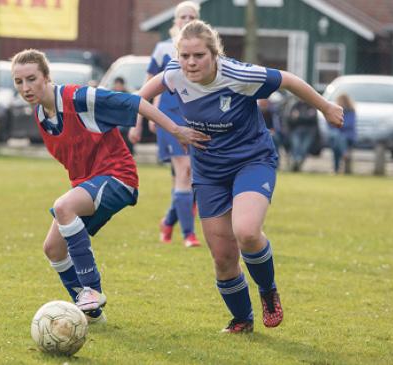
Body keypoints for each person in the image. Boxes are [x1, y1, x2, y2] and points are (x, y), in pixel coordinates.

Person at [130, 20, 343, 333]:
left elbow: (289, 80)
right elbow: (139, 98)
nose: (191, 63)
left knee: (246, 231)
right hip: (209, 171)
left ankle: (268, 291)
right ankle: (242, 320)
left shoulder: (239, 74)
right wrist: (175, 129)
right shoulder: (174, 74)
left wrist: (325, 107)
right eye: (186, 56)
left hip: (251, 160)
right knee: (223, 258)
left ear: (214, 54)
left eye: (199, 55)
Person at [11, 49, 209, 324]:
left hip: (118, 177)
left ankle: (91, 290)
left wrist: (175, 129)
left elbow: (135, 102)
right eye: (19, 82)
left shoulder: (78, 97)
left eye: (31, 79)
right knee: (53, 249)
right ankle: (92, 315)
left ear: (46, 77)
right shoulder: (41, 115)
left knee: (63, 206)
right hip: (89, 184)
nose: (26, 87)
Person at [129, 1, 202, 248]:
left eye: (192, 16)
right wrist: (137, 123)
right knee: (185, 172)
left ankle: (168, 221)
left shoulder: (207, 49)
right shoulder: (163, 49)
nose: (187, 20)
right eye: (183, 16)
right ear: (176, 21)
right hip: (169, 117)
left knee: (193, 177)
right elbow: (145, 91)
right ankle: (188, 235)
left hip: (196, 117)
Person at [283, 97, 318, 172]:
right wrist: (306, 116)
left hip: (309, 132)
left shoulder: (311, 105)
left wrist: (299, 117)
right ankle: (296, 163)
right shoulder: (294, 105)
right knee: (296, 146)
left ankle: (297, 163)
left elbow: (313, 119)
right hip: (296, 131)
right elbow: (289, 119)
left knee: (304, 148)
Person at [328, 93, 356, 173]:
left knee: (338, 140)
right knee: (337, 138)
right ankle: (344, 153)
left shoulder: (350, 111)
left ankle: (336, 169)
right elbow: (330, 123)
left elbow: (348, 124)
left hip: (348, 136)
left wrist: (338, 125)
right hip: (337, 136)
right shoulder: (335, 111)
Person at [111, 77, 135, 155]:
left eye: (119, 85)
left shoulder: (127, 96)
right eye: (116, 85)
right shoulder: (110, 96)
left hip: (124, 124)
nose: (118, 87)